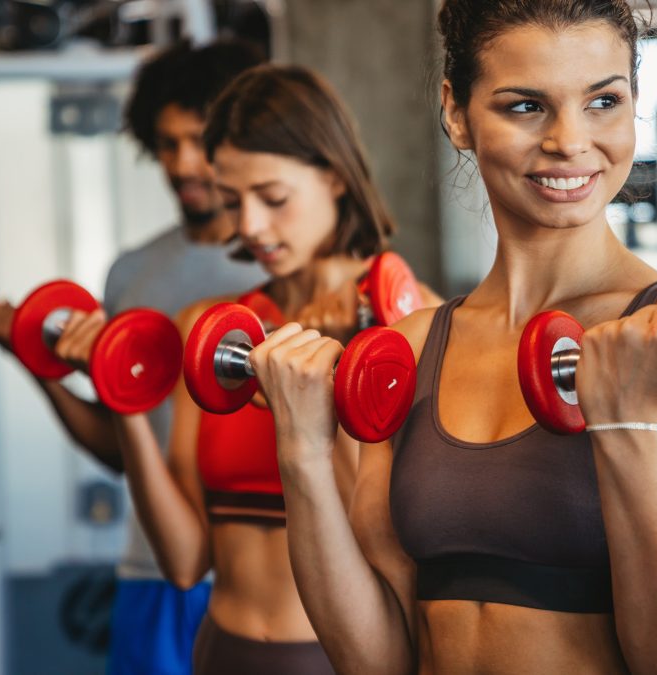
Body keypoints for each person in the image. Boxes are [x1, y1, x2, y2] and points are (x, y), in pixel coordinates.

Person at [250, 2, 657, 673]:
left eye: (603, 101)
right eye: (525, 106)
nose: (570, 140)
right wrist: (301, 453)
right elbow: (378, 659)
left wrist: (628, 429)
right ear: (457, 113)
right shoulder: (409, 351)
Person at [109, 64, 439, 673]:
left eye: (273, 198)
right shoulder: (213, 332)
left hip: (337, 658)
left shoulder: (415, 329)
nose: (250, 226)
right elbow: (185, 562)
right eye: (232, 201)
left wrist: (343, 372)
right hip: (217, 650)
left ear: (335, 176)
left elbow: (391, 550)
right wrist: (122, 402)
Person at [0, 41, 267, 675]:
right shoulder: (133, 273)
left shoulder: (278, 270)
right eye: (168, 144)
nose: (185, 164)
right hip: (149, 565)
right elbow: (119, 446)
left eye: (201, 141)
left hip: (254, 578)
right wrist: (40, 365)